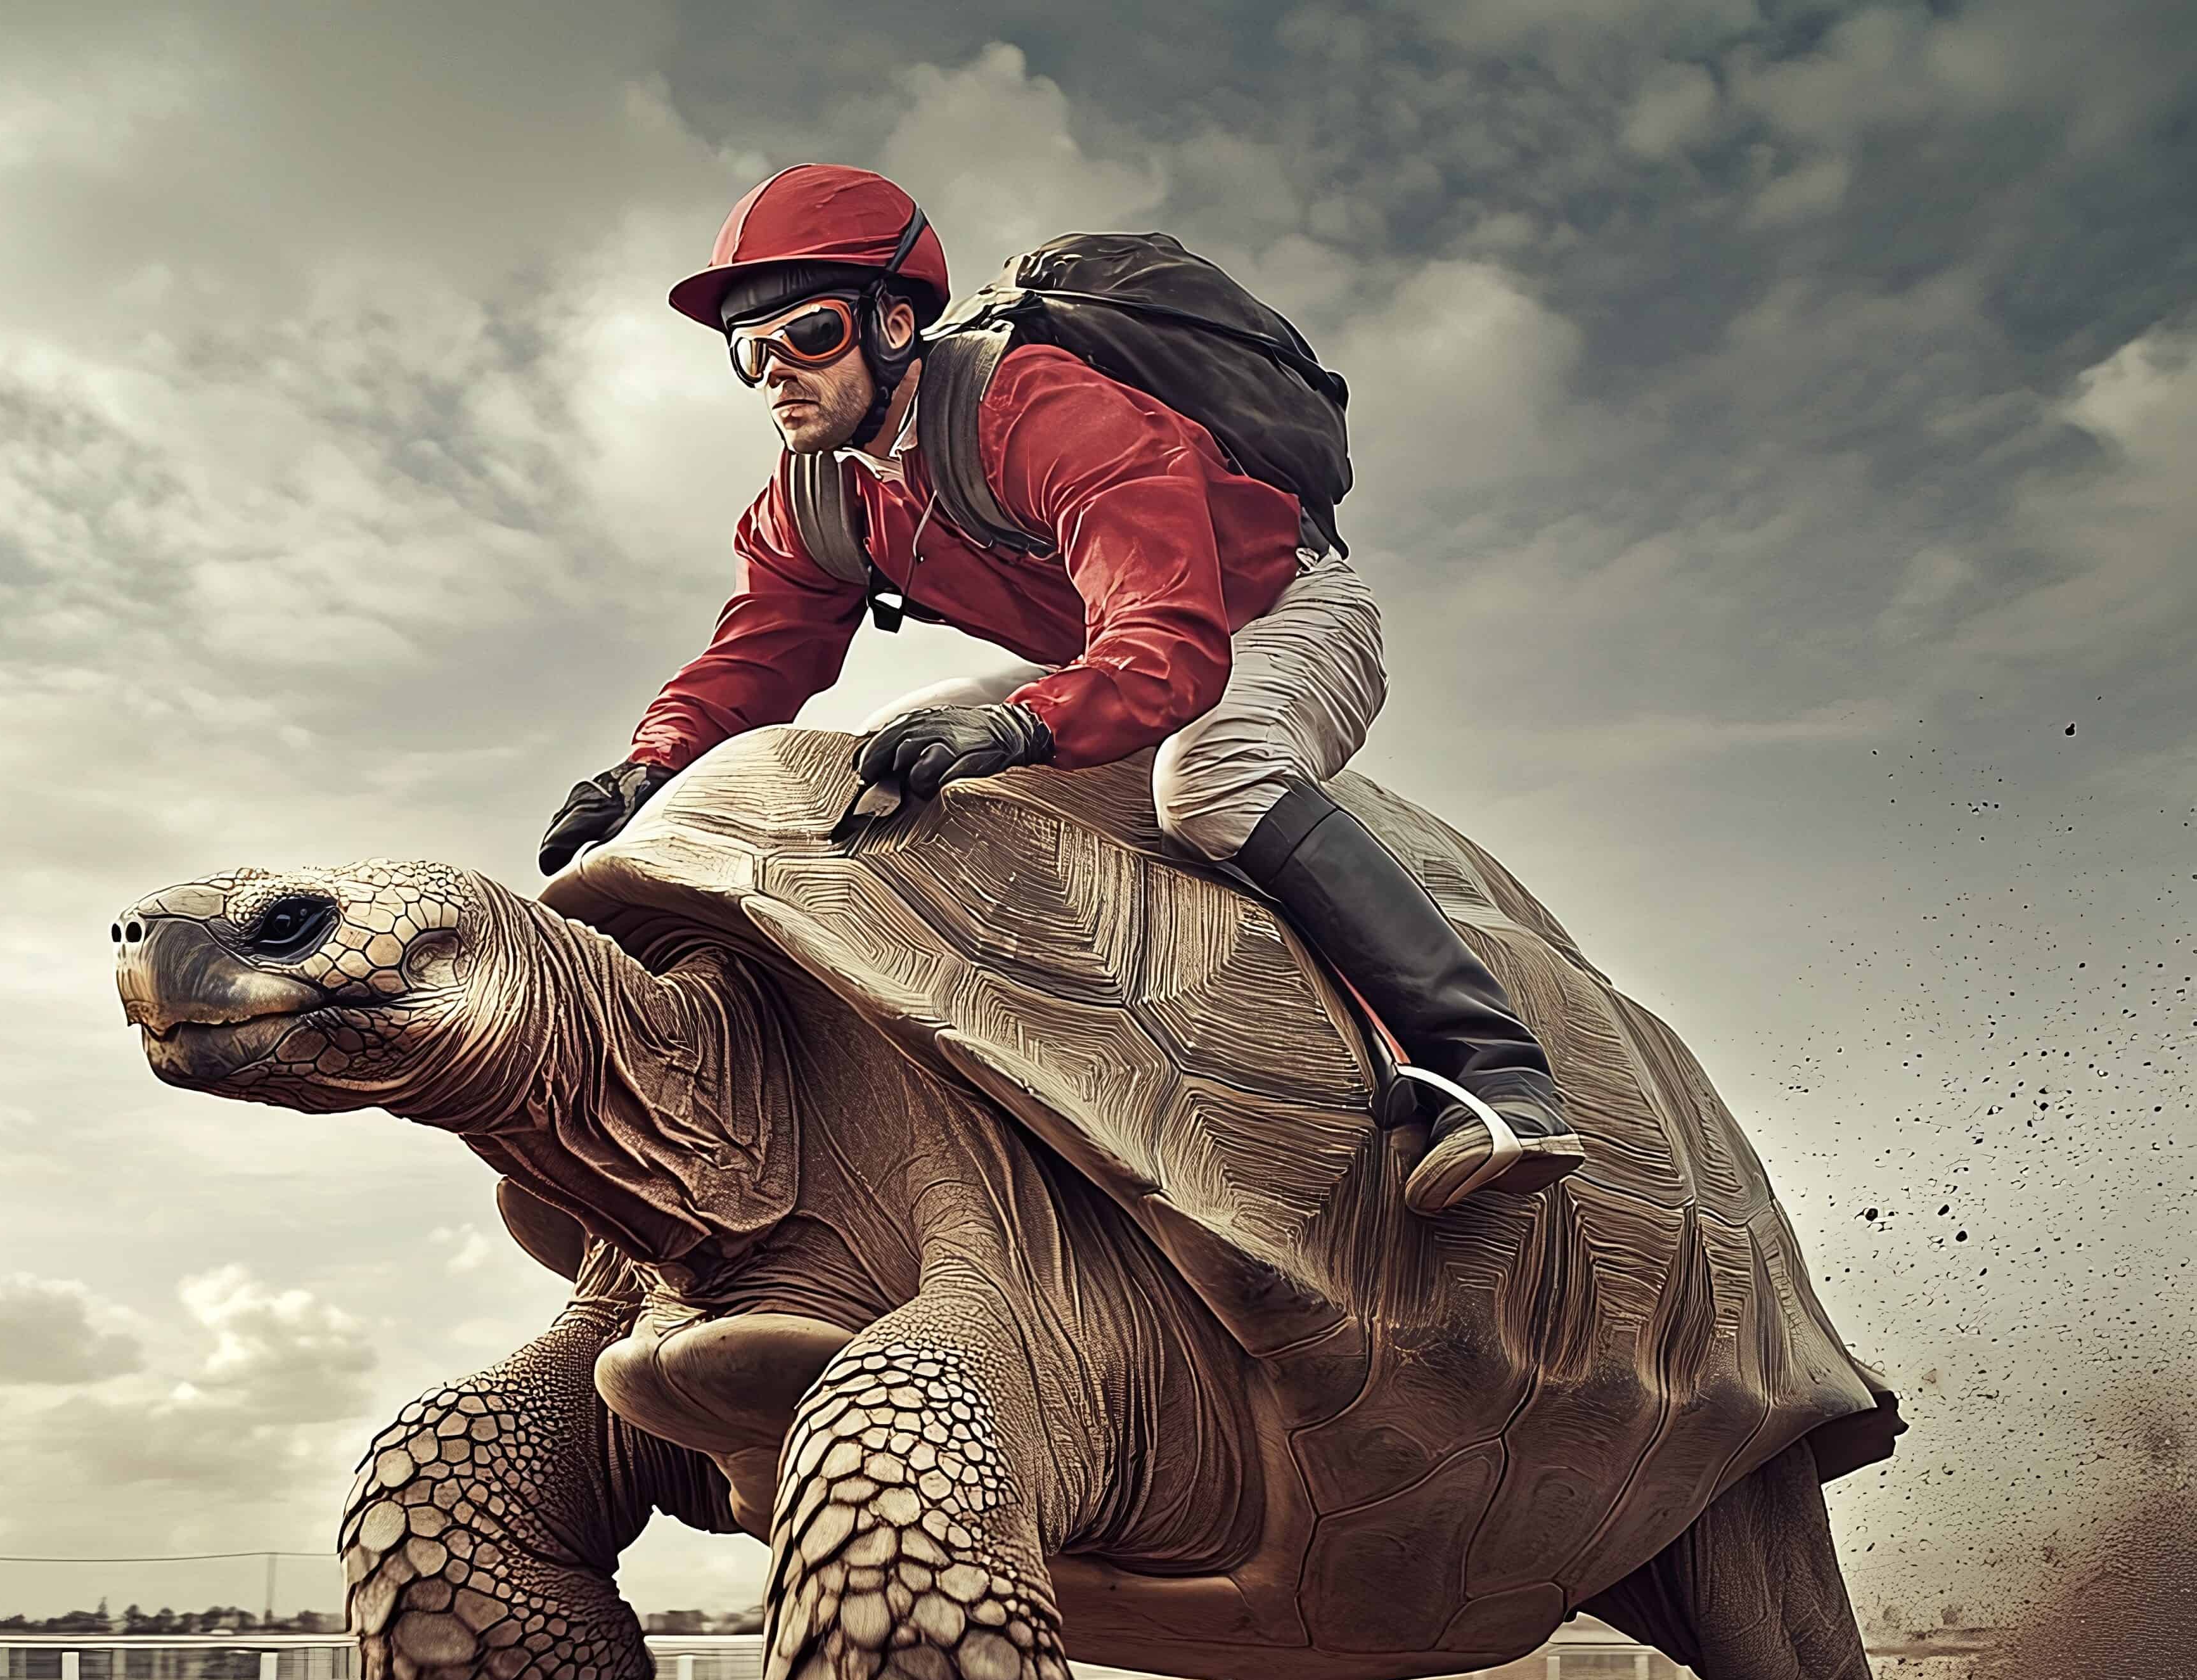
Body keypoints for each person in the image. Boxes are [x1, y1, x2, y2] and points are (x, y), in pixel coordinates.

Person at [540, 164, 1581, 1215]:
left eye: (807, 336)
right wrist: (648, 769)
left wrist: (1023, 727)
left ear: (894, 324)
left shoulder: (1040, 408)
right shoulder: (815, 498)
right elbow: (759, 653)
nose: (776, 375)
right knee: (891, 738)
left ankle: (1492, 1072)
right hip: (1101, 643)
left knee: (1213, 778)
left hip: (1271, 609)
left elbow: (1170, 644)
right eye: (749, 352)